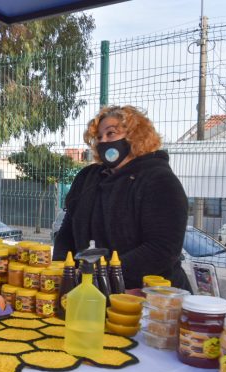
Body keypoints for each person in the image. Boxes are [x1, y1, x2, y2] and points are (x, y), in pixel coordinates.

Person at [53, 105, 190, 291]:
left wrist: (104, 275)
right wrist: (63, 272)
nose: (103, 142)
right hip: (87, 289)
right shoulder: (87, 178)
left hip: (147, 295)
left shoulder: (159, 180)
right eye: (99, 137)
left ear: (135, 136)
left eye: (111, 134)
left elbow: (162, 249)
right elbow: (67, 233)